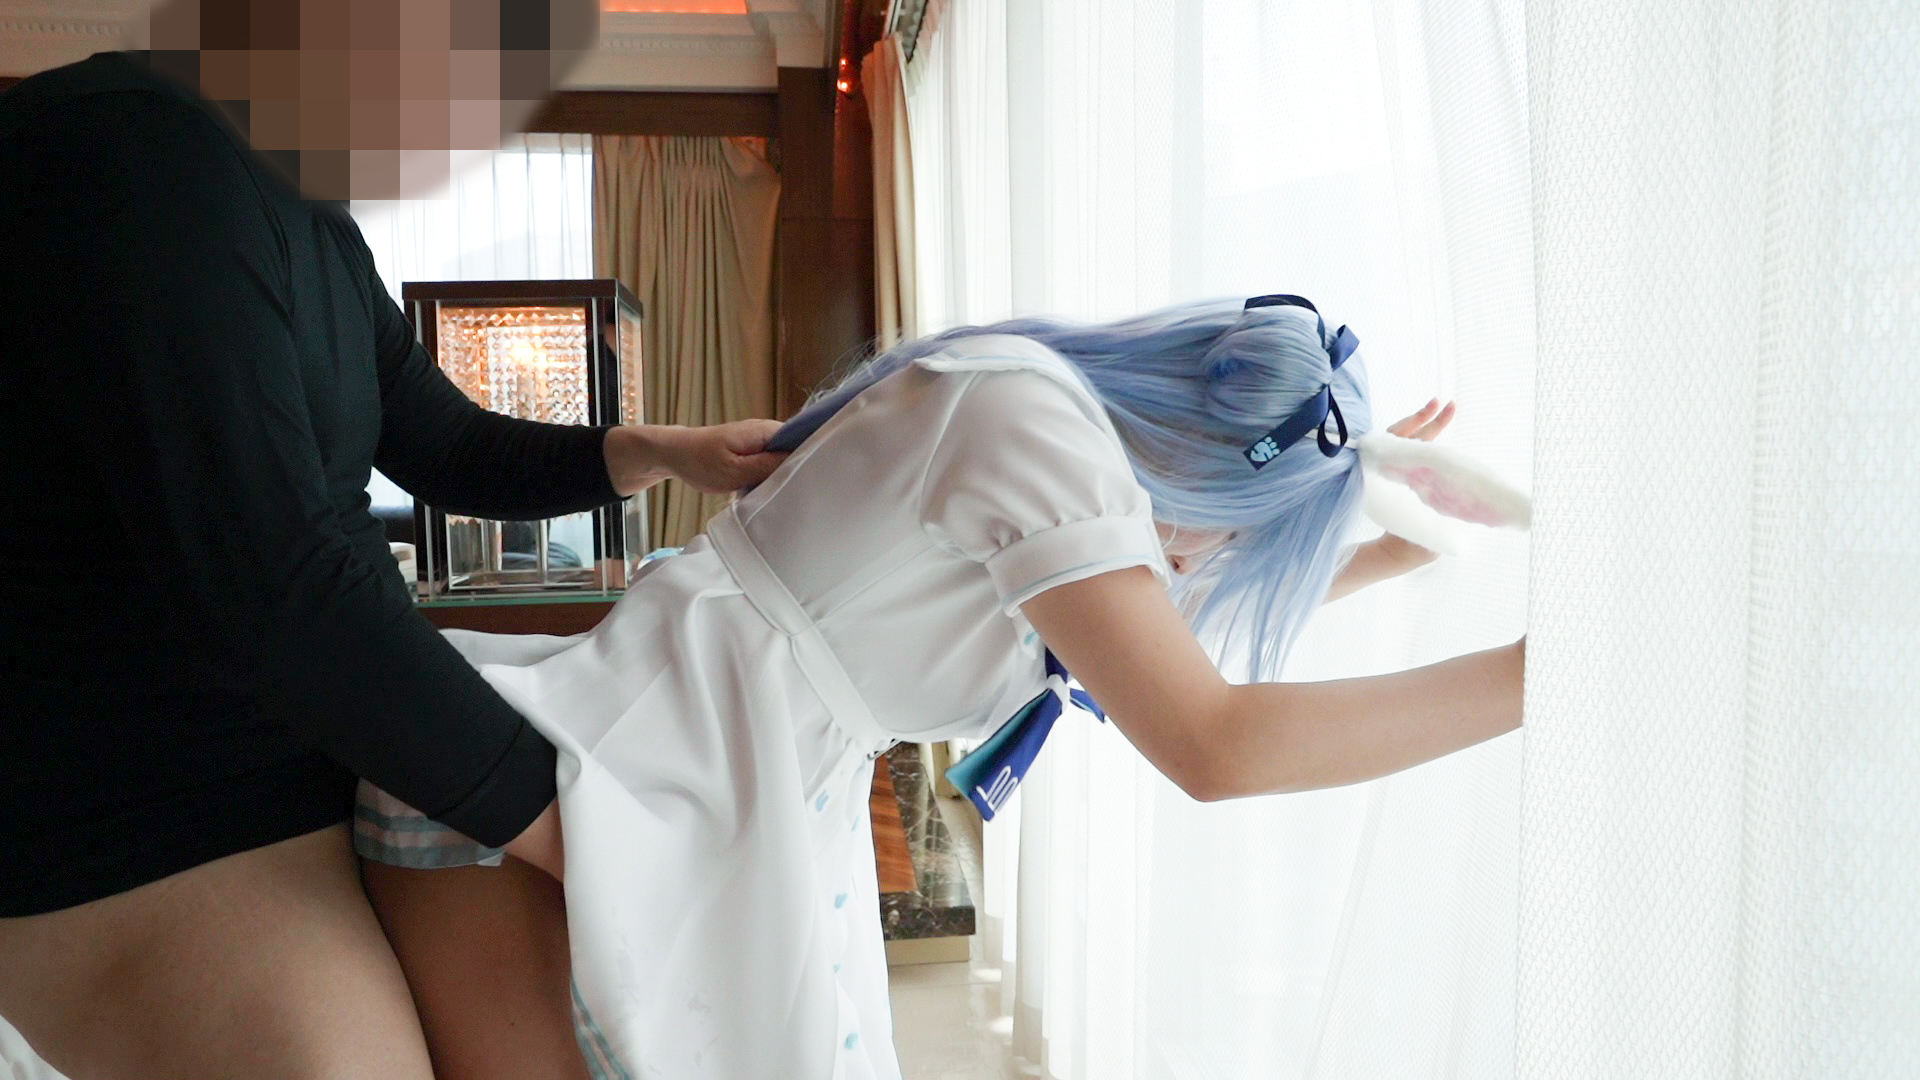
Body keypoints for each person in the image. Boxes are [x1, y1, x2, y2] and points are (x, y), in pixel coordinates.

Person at [355, 299, 1528, 1080]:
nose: (1207, 559)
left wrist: (1399, 542)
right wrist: (1534, 678)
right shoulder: (1040, 431)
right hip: (641, 775)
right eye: (1234, 532)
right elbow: (1215, 741)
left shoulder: (1049, 434)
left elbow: (1162, 625)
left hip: (721, 787)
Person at [0, 6, 788, 1076]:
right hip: (147, 813)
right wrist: (589, 834)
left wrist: (658, 451)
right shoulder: (131, 154)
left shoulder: (300, 201)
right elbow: (282, 588)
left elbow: (445, 441)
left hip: (315, 757)